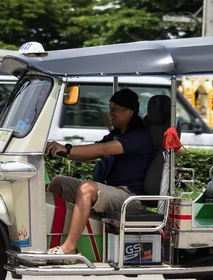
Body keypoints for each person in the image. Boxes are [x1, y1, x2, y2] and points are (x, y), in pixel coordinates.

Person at [44, 88, 155, 258]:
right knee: (58, 182)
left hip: (131, 198)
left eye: (115, 109)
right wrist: (60, 151)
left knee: (87, 189)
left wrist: (66, 149)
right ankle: (47, 238)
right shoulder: (116, 135)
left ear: (130, 111)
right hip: (114, 193)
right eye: (110, 108)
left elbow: (102, 149)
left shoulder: (139, 137)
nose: (110, 113)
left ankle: (69, 248)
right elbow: (90, 153)